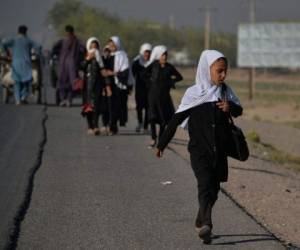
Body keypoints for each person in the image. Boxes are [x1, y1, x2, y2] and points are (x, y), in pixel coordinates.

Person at [156, 50, 243, 244]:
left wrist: (231, 108)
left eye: (225, 71)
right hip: (199, 151)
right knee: (204, 184)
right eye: (219, 71)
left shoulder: (225, 92)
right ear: (207, 70)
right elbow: (175, 120)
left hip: (219, 151)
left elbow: (239, 110)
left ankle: (200, 220)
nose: (223, 75)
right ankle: (207, 225)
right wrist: (161, 143)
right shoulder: (193, 94)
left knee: (214, 189)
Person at [146, 45, 183, 147]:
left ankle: (161, 139)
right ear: (158, 55)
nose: (164, 57)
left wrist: (171, 82)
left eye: (166, 55)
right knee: (152, 118)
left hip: (164, 98)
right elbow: (144, 73)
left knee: (163, 120)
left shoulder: (169, 67)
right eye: (163, 55)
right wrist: (149, 83)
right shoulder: (154, 65)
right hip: (153, 96)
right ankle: (153, 138)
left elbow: (180, 77)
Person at [1, 25, 41, 105]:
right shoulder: (28, 40)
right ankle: (23, 97)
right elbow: (38, 46)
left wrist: (5, 53)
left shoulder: (14, 40)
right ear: (26, 32)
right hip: (26, 63)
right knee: (26, 81)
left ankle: (18, 99)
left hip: (16, 63)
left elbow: (3, 44)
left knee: (17, 82)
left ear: (18, 31)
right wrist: (37, 53)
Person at [51, 25, 85, 107]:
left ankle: (64, 100)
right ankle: (68, 100)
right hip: (72, 66)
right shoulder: (77, 41)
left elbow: (54, 49)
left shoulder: (63, 41)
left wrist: (57, 54)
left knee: (63, 82)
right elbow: (83, 50)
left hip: (63, 65)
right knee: (71, 82)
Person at [81, 37, 106, 135]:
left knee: (96, 106)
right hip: (87, 86)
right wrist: (88, 59)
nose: (94, 49)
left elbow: (103, 71)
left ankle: (95, 126)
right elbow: (81, 67)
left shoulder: (101, 59)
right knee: (88, 107)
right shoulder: (85, 57)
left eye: (96, 47)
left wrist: (106, 86)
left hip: (97, 86)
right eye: (92, 47)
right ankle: (90, 126)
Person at [106, 36, 131, 134]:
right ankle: (110, 125)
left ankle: (113, 125)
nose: (111, 46)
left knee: (117, 106)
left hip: (119, 86)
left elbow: (126, 72)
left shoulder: (123, 56)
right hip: (109, 85)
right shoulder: (107, 56)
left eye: (113, 44)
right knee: (109, 106)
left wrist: (114, 73)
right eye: (110, 44)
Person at [132, 43, 152, 133]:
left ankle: (145, 126)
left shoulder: (152, 63)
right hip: (139, 88)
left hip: (149, 89)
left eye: (149, 52)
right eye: (145, 52)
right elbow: (132, 73)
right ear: (142, 52)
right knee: (139, 107)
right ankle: (140, 123)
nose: (147, 54)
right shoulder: (136, 63)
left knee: (148, 107)